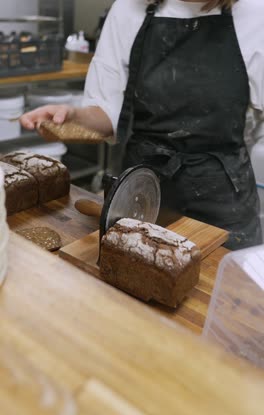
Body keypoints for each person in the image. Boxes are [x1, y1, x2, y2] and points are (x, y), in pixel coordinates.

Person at [21, 0, 264, 250]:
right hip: (139, 195)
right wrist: (73, 117)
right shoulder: (129, 8)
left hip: (223, 204)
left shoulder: (255, 13)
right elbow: (107, 116)